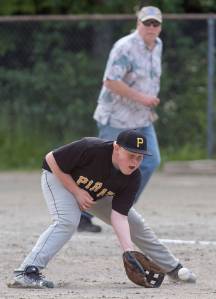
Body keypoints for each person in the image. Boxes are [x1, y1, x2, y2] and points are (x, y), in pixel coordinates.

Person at [8, 129, 196, 289]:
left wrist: (128, 251)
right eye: (130, 155)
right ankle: (26, 272)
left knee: (135, 223)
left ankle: (172, 268)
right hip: (60, 179)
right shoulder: (91, 148)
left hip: (94, 191)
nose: (135, 162)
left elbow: (120, 216)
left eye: (139, 157)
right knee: (67, 221)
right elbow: (50, 159)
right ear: (116, 148)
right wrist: (76, 191)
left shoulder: (133, 176)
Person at [82, 6, 164, 234]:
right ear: (138, 23)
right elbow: (110, 82)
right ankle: (83, 213)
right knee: (106, 168)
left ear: (160, 26)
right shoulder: (124, 47)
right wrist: (143, 98)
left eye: (155, 24)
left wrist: (147, 105)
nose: (150, 28)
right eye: (146, 23)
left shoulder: (157, 46)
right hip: (116, 118)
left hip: (141, 118)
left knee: (150, 161)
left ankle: (121, 208)